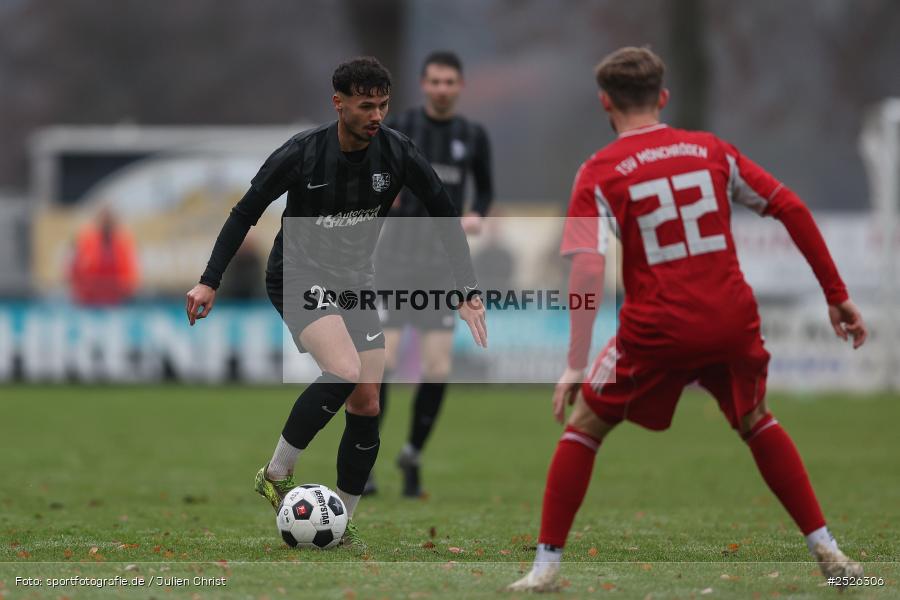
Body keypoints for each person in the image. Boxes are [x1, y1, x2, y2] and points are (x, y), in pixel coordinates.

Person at [508, 47, 867, 591]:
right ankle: (832, 556)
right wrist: (836, 295)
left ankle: (545, 569)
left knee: (583, 427)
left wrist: (575, 364)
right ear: (664, 97)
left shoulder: (599, 172)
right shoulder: (711, 150)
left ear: (605, 101)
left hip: (658, 331)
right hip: (731, 321)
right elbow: (789, 205)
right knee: (757, 421)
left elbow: (585, 270)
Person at [184, 57, 487, 547]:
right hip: (297, 275)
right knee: (345, 370)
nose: (376, 116)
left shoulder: (397, 153)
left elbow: (443, 213)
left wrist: (468, 288)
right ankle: (275, 472)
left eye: (383, 105)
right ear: (338, 102)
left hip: (354, 282)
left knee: (368, 401)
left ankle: (340, 522)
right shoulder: (301, 154)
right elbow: (246, 211)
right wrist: (209, 280)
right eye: (366, 106)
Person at [370, 51, 494, 497]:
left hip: (442, 269)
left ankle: (413, 453)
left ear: (460, 86)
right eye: (435, 81)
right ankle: (365, 458)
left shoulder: (473, 136)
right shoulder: (399, 127)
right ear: (424, 84)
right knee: (382, 360)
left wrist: (478, 212)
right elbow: (374, 176)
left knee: (438, 366)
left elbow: (486, 187)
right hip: (396, 262)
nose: (442, 88)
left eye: (450, 82)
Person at [69, 206, 140, 305]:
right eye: (104, 220)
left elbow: (131, 275)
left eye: (110, 221)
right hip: (89, 300)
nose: (107, 224)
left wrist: (125, 290)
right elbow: (74, 269)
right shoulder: (86, 241)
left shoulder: (124, 243)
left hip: (116, 301)